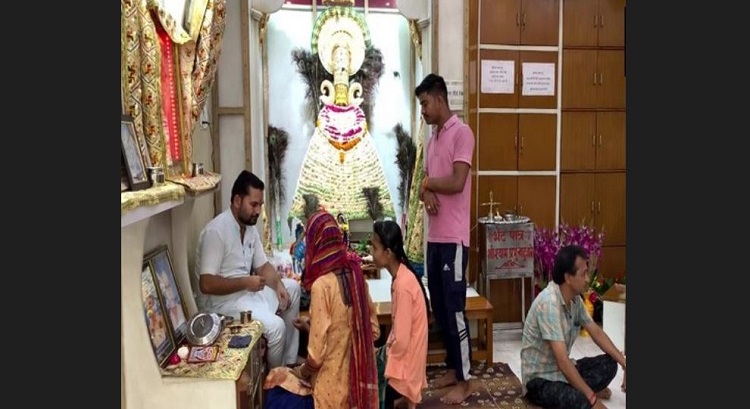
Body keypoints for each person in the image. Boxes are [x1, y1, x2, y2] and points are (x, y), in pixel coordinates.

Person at [195, 170, 301, 369]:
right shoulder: (216, 231)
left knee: (293, 289)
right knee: (276, 328)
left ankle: (289, 364)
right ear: (237, 200)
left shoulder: (249, 229)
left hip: (247, 295)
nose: (258, 211)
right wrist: (245, 282)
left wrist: (278, 285)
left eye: (260, 205)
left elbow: (262, 266)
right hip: (223, 305)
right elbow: (206, 284)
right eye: (253, 204)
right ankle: (274, 380)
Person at [416, 73, 476, 404]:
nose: (423, 110)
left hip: (454, 239)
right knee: (439, 306)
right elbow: (428, 186)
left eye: (425, 103)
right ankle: (453, 368)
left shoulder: (462, 132)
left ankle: (466, 379)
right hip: (434, 239)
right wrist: (426, 193)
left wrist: (427, 185)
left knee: (454, 309)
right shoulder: (432, 139)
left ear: (439, 100)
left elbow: (455, 182)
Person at [290, 210, 381, 408]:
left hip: (329, 390)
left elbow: (316, 355)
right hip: (359, 385)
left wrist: (301, 371)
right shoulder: (357, 277)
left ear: (314, 243)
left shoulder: (321, 286)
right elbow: (372, 330)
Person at [521, 245, 627, 409]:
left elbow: (596, 332)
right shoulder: (549, 303)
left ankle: (579, 390)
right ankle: (584, 392)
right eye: (583, 274)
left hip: (564, 371)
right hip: (540, 380)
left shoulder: (575, 299)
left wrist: (625, 364)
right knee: (581, 401)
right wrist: (592, 400)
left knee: (610, 364)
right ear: (568, 278)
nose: (587, 279)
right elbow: (562, 361)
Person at [371, 220, 430, 409]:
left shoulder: (403, 284)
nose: (371, 253)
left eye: (374, 248)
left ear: (388, 253)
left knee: (374, 383)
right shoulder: (401, 275)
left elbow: (403, 340)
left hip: (408, 357)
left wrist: (383, 356)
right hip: (407, 350)